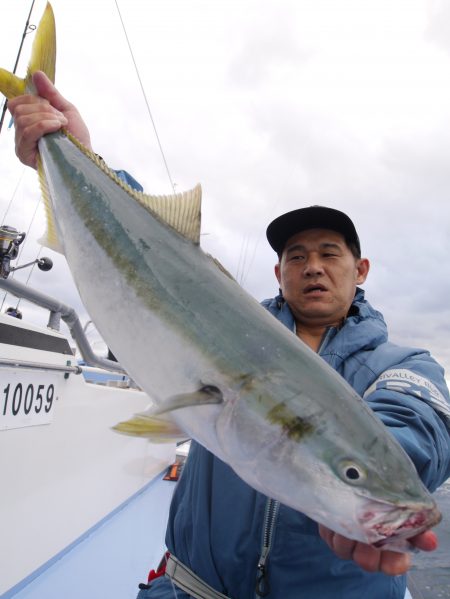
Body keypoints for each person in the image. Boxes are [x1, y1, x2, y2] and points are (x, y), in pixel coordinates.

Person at [8, 72, 450, 599]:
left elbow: (416, 426)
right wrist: (72, 150)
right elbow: (154, 248)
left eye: (330, 254)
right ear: (278, 274)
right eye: (296, 257)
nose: (313, 268)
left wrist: (371, 483)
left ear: (362, 269)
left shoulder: (404, 364)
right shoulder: (224, 315)